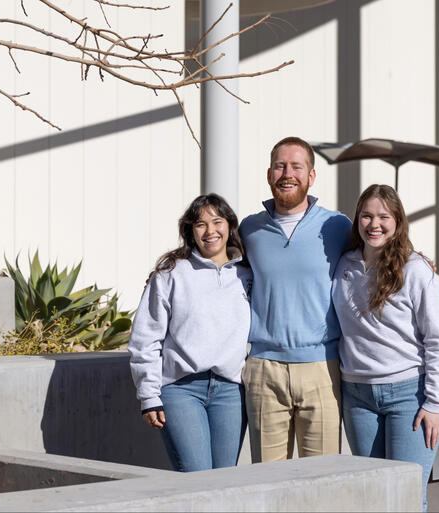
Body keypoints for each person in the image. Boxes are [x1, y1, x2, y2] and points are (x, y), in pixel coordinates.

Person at [331, 184, 439, 511]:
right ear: (357, 220)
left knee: (407, 497)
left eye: (384, 217)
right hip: (357, 396)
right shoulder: (343, 266)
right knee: (371, 497)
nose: (375, 224)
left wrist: (434, 402)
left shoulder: (416, 271)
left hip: (409, 397)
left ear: (398, 221)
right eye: (367, 216)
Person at [239, 136, 352, 462]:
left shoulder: (337, 226)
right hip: (263, 369)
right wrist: (166, 270)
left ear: (311, 176)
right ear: (269, 173)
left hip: (322, 369)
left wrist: (418, 260)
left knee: (322, 480)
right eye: (280, 166)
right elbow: (217, 264)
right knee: (267, 482)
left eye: (296, 167)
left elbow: (376, 255)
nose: (287, 173)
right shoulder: (249, 229)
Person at [128, 194, 252, 472]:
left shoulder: (246, 274)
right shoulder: (170, 273)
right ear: (190, 231)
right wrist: (149, 397)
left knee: (224, 479)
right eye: (200, 224)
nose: (210, 231)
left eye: (217, 222)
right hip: (181, 390)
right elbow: (145, 338)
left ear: (229, 226)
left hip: (231, 392)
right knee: (196, 476)